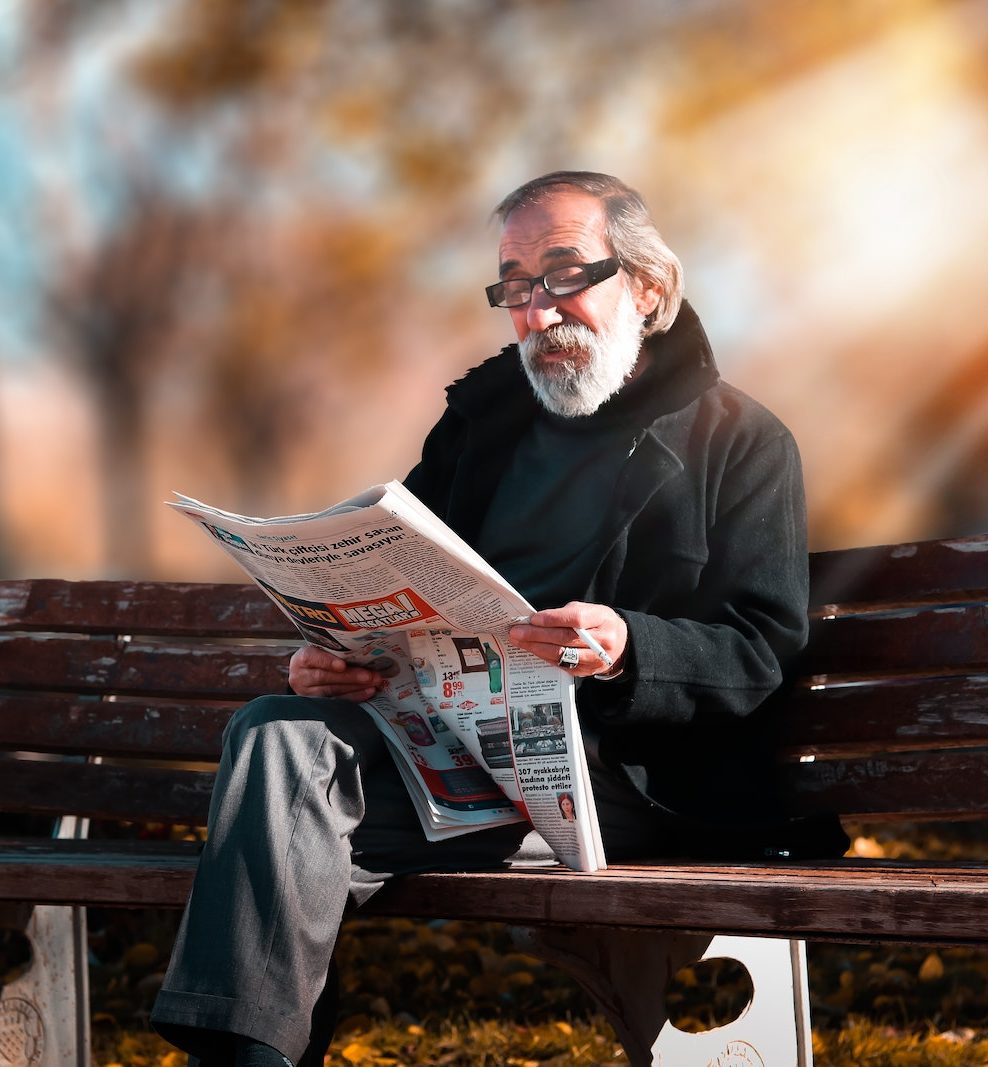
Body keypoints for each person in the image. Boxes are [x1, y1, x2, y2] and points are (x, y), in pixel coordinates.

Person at [151, 171, 847, 1067]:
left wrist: (630, 646)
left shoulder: (740, 441)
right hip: (457, 760)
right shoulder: (478, 428)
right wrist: (337, 655)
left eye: (563, 274)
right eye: (514, 286)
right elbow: (395, 570)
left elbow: (759, 651)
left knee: (294, 818)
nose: (537, 308)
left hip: (627, 779)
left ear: (645, 285)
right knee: (278, 733)